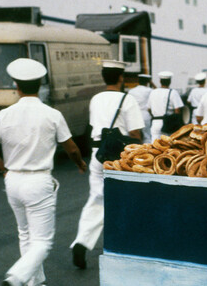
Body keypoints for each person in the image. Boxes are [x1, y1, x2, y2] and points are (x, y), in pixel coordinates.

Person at [0, 58, 87, 286]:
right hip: (38, 180)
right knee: (42, 242)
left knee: (25, 234)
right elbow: (71, 148)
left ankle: (36, 282)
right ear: (40, 85)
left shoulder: (4, 114)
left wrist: (3, 170)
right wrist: (80, 164)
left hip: (13, 180)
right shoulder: (52, 114)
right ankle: (17, 277)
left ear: (16, 85)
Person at [71, 60, 144, 270]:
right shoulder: (127, 100)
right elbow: (135, 133)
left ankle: (82, 242)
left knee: (96, 199)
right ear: (121, 77)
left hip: (98, 154)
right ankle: (127, 248)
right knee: (125, 201)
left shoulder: (96, 99)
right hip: (120, 157)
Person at [147, 71, 184, 141]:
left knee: (155, 146)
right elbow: (177, 111)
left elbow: (148, 109)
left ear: (160, 81)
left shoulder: (153, 92)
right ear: (170, 81)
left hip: (155, 122)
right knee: (167, 147)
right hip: (168, 123)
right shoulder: (173, 92)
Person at [128, 74, 154, 143]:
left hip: (134, 115)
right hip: (145, 115)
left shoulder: (131, 91)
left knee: (134, 136)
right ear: (147, 82)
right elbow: (158, 92)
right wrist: (152, 83)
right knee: (147, 136)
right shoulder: (149, 90)